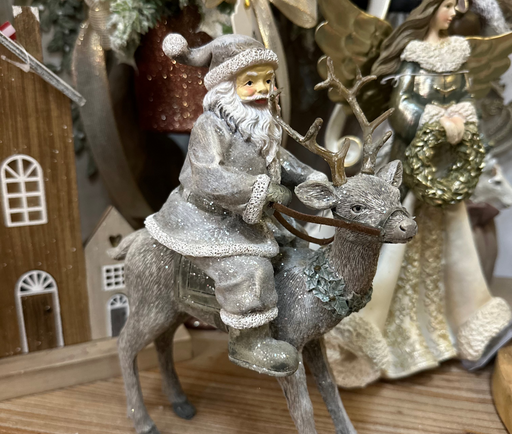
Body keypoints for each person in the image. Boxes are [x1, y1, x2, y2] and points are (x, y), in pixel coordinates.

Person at [325, 0, 512, 386]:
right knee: (395, 248)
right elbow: (402, 106)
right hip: (414, 162)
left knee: (454, 245)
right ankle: (372, 327)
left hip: (446, 162)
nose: (454, 13)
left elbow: (465, 95)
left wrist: (461, 118)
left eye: (457, 6)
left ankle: (461, 322)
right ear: (430, 8)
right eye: (447, 5)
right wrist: (435, 121)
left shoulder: (457, 52)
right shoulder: (412, 55)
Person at [145, 34, 328, 377]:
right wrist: (262, 189)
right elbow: (207, 176)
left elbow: (279, 158)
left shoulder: (260, 124)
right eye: (250, 82)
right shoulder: (209, 126)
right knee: (248, 270)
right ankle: (248, 341)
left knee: (298, 241)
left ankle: (291, 313)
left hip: (245, 216)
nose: (263, 90)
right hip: (205, 218)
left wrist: (311, 177)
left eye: (268, 81)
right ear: (226, 86)